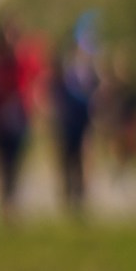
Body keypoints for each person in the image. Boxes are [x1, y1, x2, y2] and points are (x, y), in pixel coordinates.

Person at [0, 12, 47, 216]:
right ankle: (6, 200)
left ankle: (11, 199)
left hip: (20, 116)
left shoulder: (26, 57)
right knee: (1, 160)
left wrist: (37, 104)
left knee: (16, 159)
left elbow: (38, 82)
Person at [54, 14, 105, 211]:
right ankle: (69, 194)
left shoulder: (92, 67)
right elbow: (57, 91)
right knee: (68, 156)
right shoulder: (65, 68)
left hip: (85, 118)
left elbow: (100, 90)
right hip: (67, 119)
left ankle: (82, 195)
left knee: (84, 156)